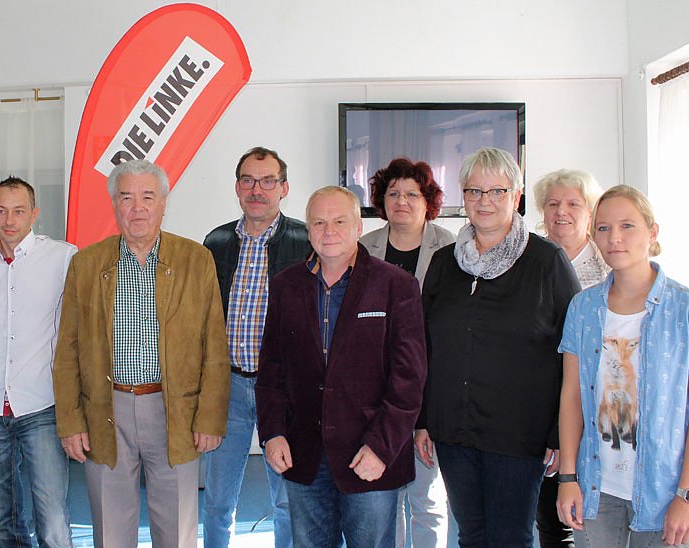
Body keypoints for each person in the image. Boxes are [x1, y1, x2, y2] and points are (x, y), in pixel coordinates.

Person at [53, 159, 230, 548]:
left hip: (175, 410)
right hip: (105, 409)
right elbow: (67, 350)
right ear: (114, 204)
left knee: (177, 530)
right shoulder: (86, 264)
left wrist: (210, 417)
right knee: (111, 530)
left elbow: (215, 346)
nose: (137, 208)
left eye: (148, 197)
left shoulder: (195, 260)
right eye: (127, 197)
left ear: (164, 203)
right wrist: (70, 421)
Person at [415, 147, 580, 547]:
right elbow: (424, 347)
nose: (484, 201)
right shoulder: (444, 263)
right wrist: (423, 419)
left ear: (516, 195)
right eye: (474, 191)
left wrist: (561, 435)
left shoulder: (547, 261)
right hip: (453, 431)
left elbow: (575, 354)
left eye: (496, 191)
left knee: (510, 538)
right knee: (470, 535)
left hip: (519, 434)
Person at [256, 186, 427, 548]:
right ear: (308, 229)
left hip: (369, 454)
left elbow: (409, 380)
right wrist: (273, 433)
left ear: (358, 227)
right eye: (319, 222)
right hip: (303, 454)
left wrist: (381, 447)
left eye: (339, 221)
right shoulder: (285, 285)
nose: (328, 231)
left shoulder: (396, 285)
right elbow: (271, 369)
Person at [556, 185, 689, 547]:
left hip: (665, 490)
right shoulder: (582, 309)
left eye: (627, 226)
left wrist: (688, 496)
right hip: (596, 489)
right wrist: (568, 478)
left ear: (652, 232)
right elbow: (571, 397)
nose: (614, 238)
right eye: (603, 228)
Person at [202, 146, 310, 548]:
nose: (257, 190)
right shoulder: (216, 241)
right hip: (227, 387)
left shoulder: (305, 241)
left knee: (286, 498)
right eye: (248, 180)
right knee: (217, 500)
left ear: (284, 188)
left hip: (282, 389)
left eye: (267, 181)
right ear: (237, 187)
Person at [0, 177, 77, 547]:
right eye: (1, 211)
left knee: (52, 517)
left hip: (41, 403)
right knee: (2, 518)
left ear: (34, 213)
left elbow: (71, 328)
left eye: (18, 211)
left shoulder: (63, 257)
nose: (9, 220)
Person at [360, 158, 453, 547]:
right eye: (393, 193)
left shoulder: (450, 247)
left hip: (430, 384)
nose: (401, 201)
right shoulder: (364, 249)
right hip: (377, 389)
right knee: (384, 496)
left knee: (426, 496)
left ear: (427, 201)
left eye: (412, 194)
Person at [531, 168, 610, 547]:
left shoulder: (612, 266)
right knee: (551, 518)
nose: (561, 211)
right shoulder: (527, 261)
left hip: (599, 410)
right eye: (552, 204)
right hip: (541, 408)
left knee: (599, 521)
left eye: (573, 204)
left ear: (590, 211)